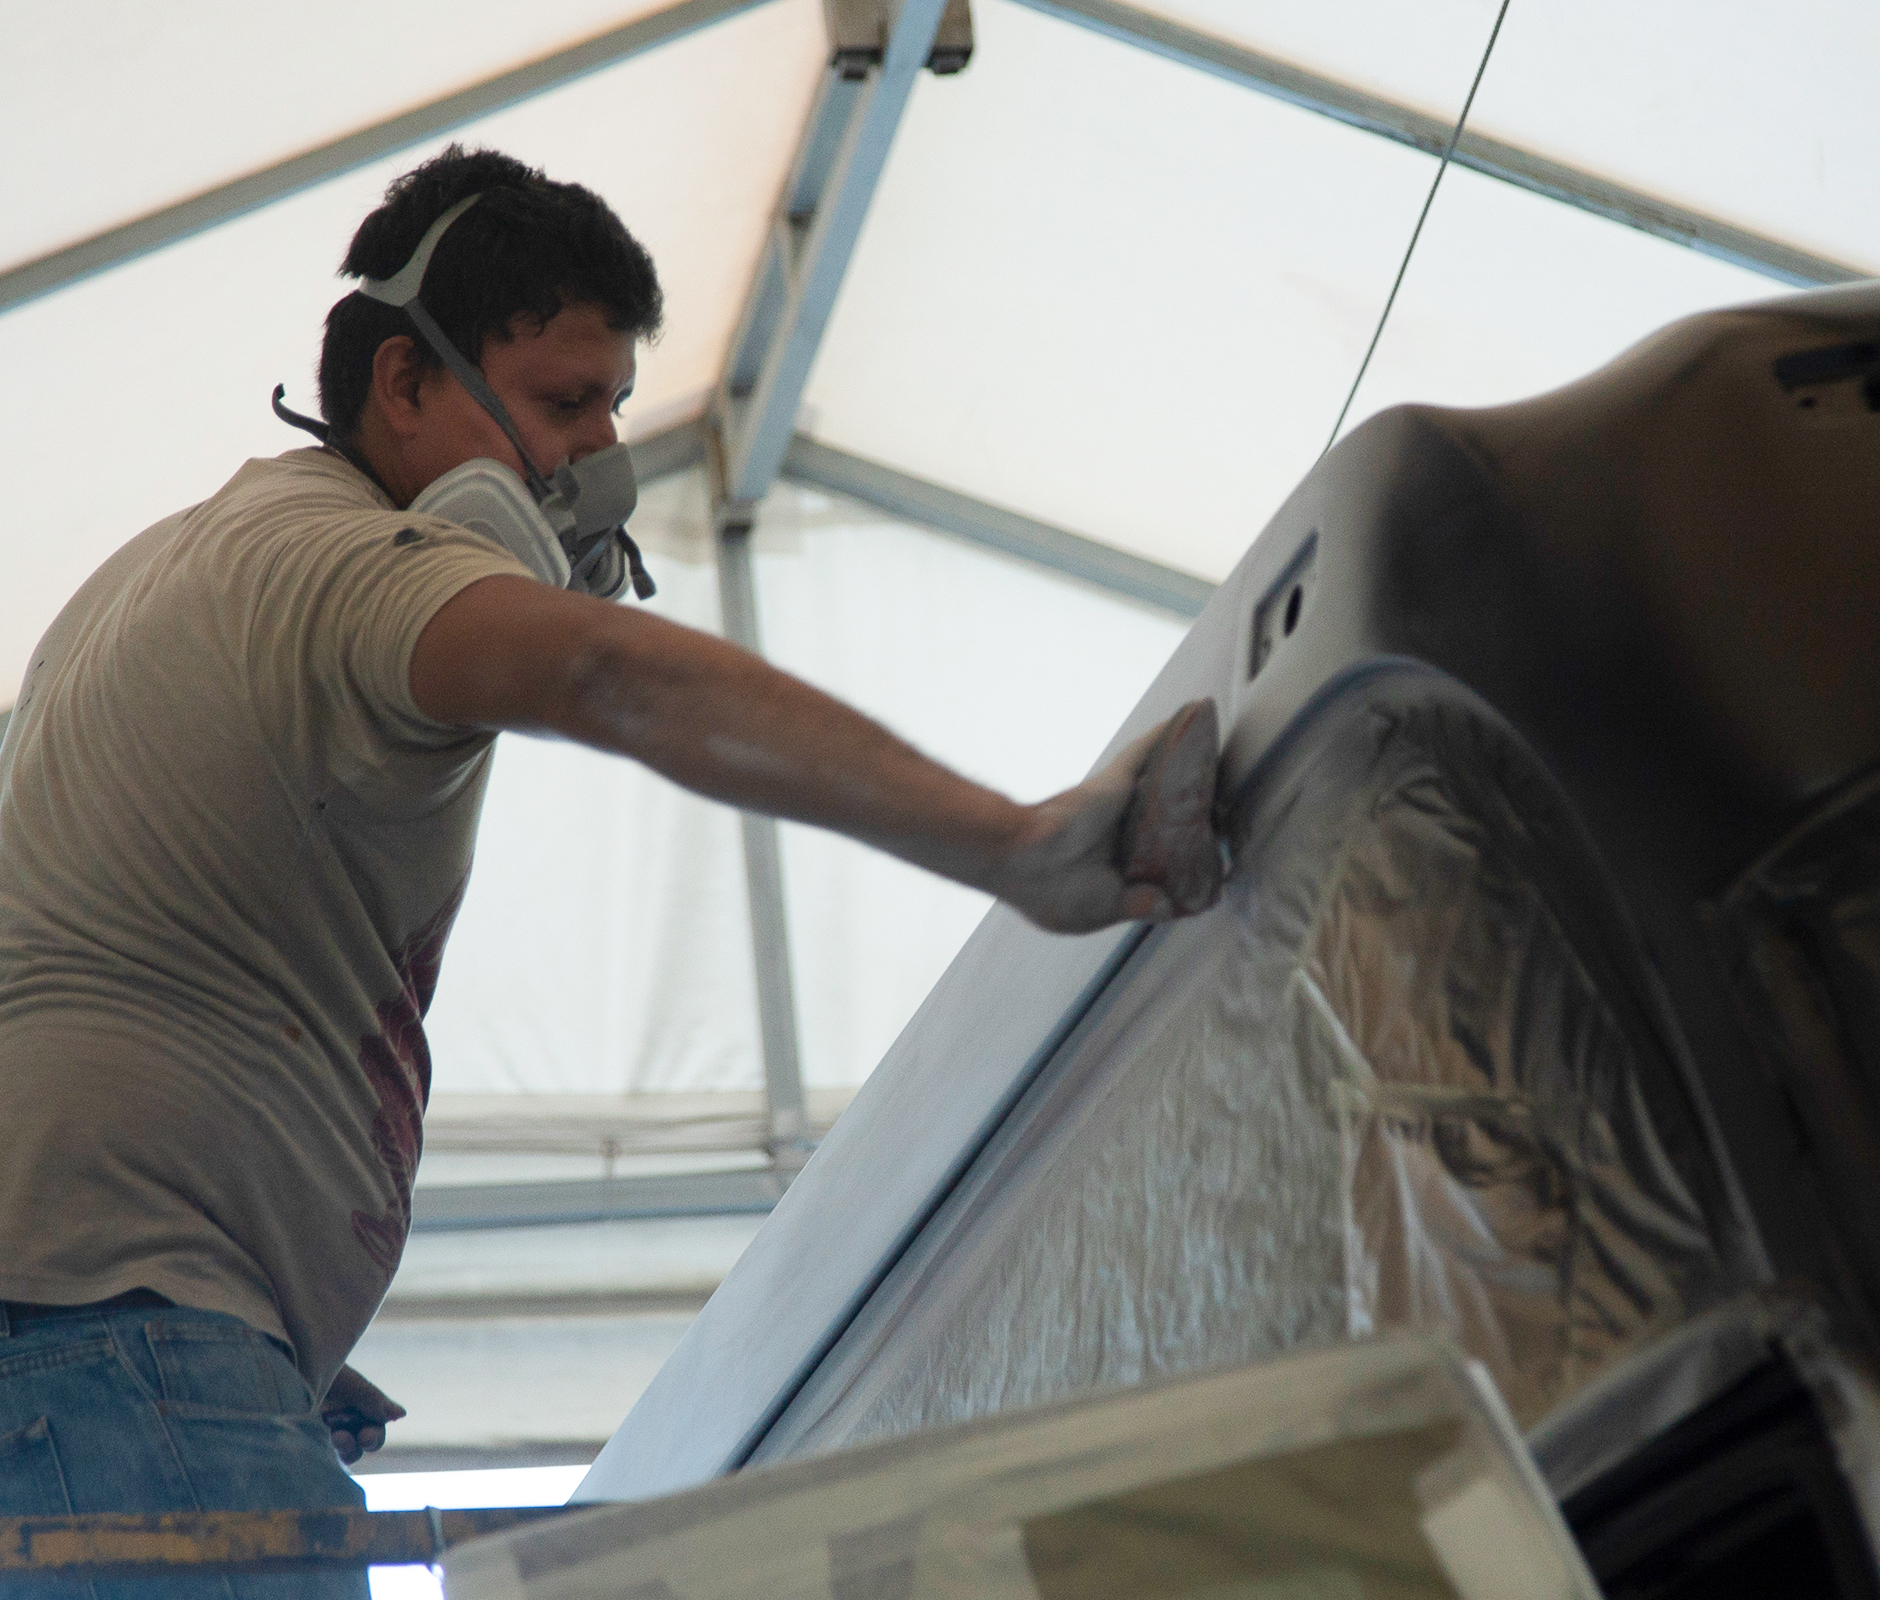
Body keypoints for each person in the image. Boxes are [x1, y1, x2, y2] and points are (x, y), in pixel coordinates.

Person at [0, 146, 1219, 1590]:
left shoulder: (174, 564)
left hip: (90, 1355)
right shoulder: (348, 575)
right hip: (121, 1356)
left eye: (615, 409)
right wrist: (1015, 845)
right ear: (402, 383)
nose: (597, 463)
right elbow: (609, 674)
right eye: (564, 405)